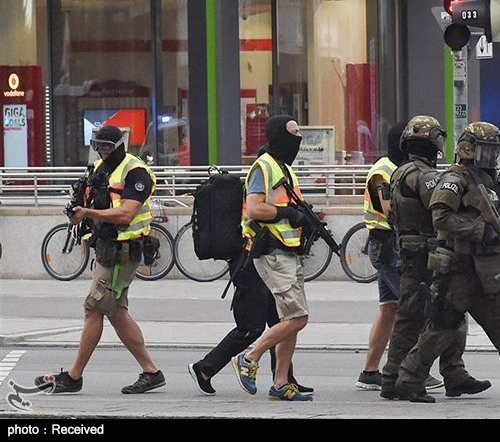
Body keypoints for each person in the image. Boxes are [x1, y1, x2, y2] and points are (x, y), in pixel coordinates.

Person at [395, 121, 500, 404]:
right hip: (461, 270)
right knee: (442, 328)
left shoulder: (489, 180)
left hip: (491, 270)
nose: (492, 158)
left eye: (495, 152)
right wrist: (479, 231)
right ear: (468, 150)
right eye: (487, 151)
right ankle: (408, 380)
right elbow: (441, 217)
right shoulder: (456, 178)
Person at [35, 125, 165, 394]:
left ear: (119, 146)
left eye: (107, 147)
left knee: (93, 308)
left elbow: (127, 214)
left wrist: (88, 213)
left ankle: (73, 377)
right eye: (98, 147)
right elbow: (92, 199)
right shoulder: (100, 168)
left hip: (124, 251)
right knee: (116, 312)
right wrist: (78, 206)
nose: (102, 152)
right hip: (108, 248)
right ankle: (151, 372)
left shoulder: (135, 171)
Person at [379, 116, 489, 401]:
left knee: (433, 313)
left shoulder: (400, 171)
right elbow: (440, 210)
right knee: (431, 314)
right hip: (425, 251)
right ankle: (400, 378)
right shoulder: (426, 177)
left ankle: (449, 373)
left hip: (410, 248)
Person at [189, 147, 311, 397]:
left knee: (282, 321)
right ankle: (204, 368)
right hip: (248, 262)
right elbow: (257, 219)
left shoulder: (270, 182)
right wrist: (288, 213)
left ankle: (284, 379)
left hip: (256, 260)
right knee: (251, 327)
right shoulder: (258, 185)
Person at [230, 115, 313, 402]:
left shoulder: (283, 168)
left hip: (287, 252)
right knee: (298, 317)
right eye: (293, 133)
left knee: (290, 318)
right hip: (272, 253)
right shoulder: (263, 167)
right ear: (278, 135)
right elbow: (254, 209)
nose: (298, 139)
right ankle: (249, 357)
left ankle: (280, 383)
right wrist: (288, 214)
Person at [355, 122, 408, 389]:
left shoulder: (396, 168)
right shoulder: (382, 172)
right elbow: (390, 211)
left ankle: (370, 371)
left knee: (389, 309)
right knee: (412, 309)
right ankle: (409, 369)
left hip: (387, 246)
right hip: (387, 247)